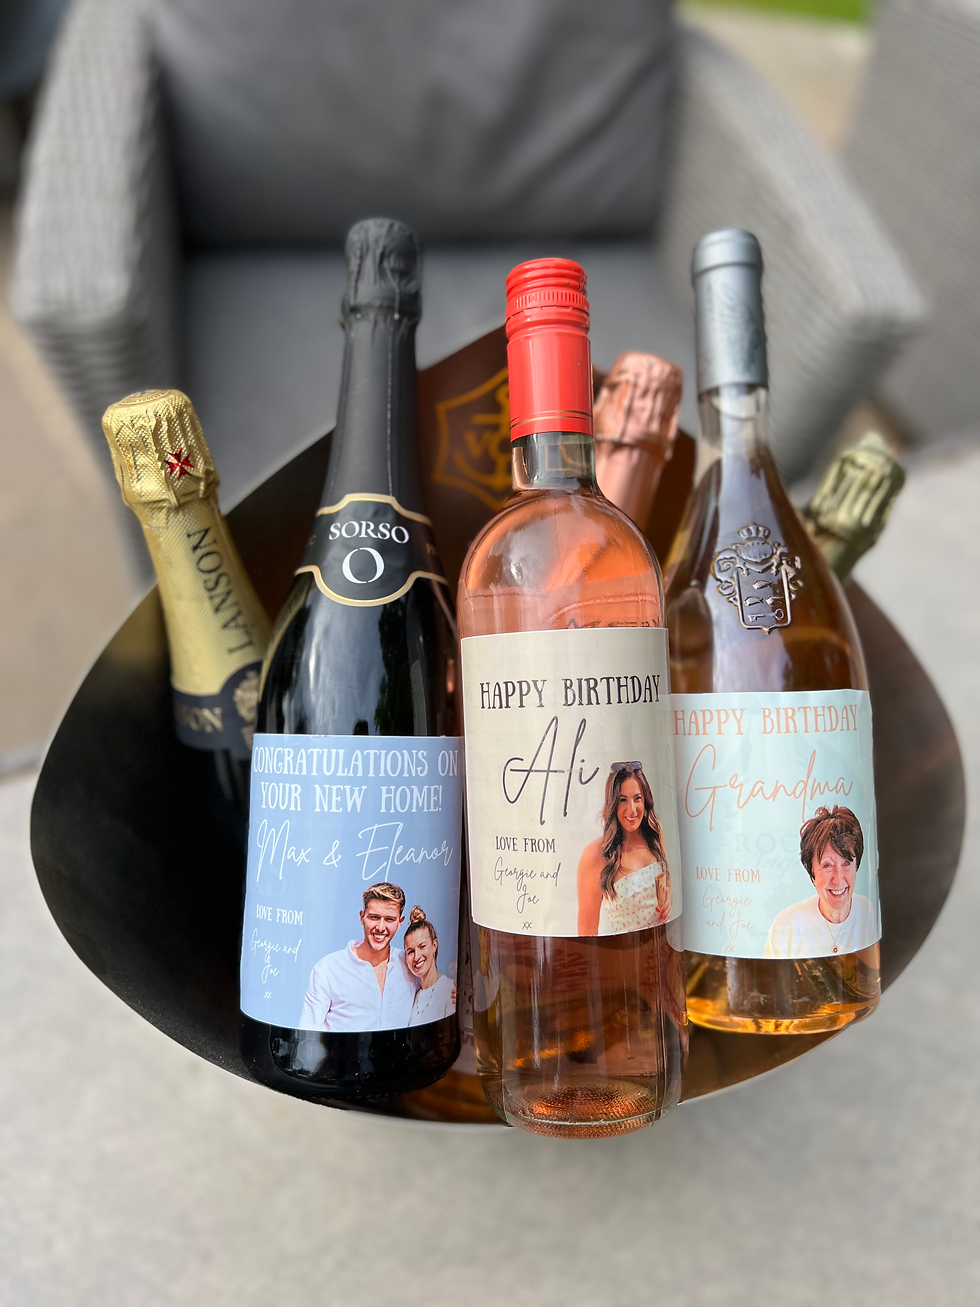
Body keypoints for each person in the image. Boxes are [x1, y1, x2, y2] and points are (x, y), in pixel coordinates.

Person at [298, 882, 418, 1031]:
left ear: (400, 922)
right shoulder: (328, 969)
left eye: (389, 919)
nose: (380, 927)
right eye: (374, 917)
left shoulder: (410, 965)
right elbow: (309, 1030)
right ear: (362, 917)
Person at [765, 806, 876, 959]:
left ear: (856, 866)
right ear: (812, 873)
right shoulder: (785, 927)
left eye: (846, 863)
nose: (838, 879)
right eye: (827, 865)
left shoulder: (867, 912)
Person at [576, 762, 672, 936]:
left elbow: (667, 881)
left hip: (662, 946)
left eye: (637, 798)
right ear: (612, 804)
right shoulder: (595, 854)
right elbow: (587, 932)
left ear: (645, 800)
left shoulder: (655, 832)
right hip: (625, 951)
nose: (632, 810)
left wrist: (668, 900)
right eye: (623, 800)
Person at [404, 907, 456, 1027]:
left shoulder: (450, 989)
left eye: (422, 946)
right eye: (411, 951)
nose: (417, 957)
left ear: (434, 945)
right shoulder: (411, 997)